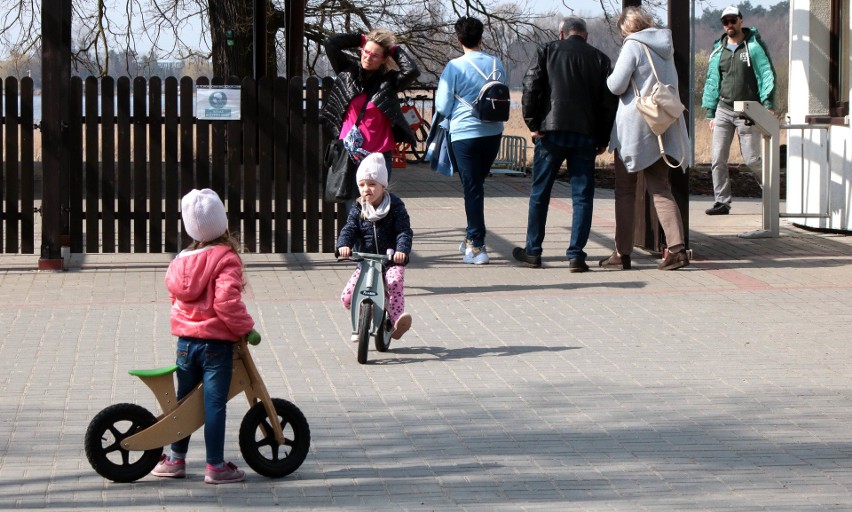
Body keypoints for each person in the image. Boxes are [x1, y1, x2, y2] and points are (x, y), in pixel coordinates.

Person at [151, 188, 256, 484]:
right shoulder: (225, 258)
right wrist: (245, 327)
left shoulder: (181, 260)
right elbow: (226, 302)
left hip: (185, 344)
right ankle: (215, 466)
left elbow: (176, 301)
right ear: (221, 223)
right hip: (215, 345)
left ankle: (175, 459)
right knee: (213, 405)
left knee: (184, 404)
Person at [512, 16, 617, 271]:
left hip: (551, 132)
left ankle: (533, 251)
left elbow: (531, 86)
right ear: (586, 36)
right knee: (582, 196)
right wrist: (602, 139)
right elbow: (608, 103)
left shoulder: (547, 50)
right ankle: (576, 255)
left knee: (540, 193)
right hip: (585, 135)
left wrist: (533, 124)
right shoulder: (600, 59)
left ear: (562, 34)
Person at [602, 6, 691, 271]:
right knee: (661, 189)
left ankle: (622, 253)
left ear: (627, 28)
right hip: (661, 126)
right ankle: (677, 249)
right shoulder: (666, 47)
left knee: (625, 191)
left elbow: (616, 85)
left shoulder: (633, 45)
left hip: (635, 129)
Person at [320, 28, 421, 209]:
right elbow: (330, 43)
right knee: (353, 209)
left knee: (375, 207)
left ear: (384, 59)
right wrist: (362, 39)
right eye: (366, 52)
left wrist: (392, 48)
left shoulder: (389, 81)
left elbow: (411, 70)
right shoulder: (348, 71)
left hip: (379, 154)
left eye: (375, 55)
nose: (367, 57)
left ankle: (374, 239)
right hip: (350, 154)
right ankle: (356, 239)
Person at [435, 16, 505, 265]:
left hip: (464, 133)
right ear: (481, 37)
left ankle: (477, 246)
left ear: (458, 39)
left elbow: (443, 106)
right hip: (493, 132)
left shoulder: (454, 67)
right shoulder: (496, 63)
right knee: (476, 185)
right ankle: (469, 238)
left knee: (472, 189)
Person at [702, 5, 777, 216]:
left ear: (741, 21)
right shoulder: (718, 50)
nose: (729, 25)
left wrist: (768, 104)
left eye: (733, 20)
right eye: (725, 22)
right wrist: (710, 112)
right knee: (717, 158)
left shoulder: (753, 47)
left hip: (748, 111)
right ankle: (722, 202)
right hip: (723, 110)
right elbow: (712, 81)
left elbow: (766, 74)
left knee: (752, 159)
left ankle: (770, 196)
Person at [337, 153, 413, 341]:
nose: (366, 189)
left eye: (371, 184)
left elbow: (404, 231)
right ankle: (363, 321)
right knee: (348, 297)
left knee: (394, 282)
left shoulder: (394, 206)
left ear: (382, 185)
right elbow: (350, 228)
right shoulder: (358, 208)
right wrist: (343, 245)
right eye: (362, 185)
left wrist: (401, 251)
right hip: (366, 262)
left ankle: (395, 322)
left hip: (390, 260)